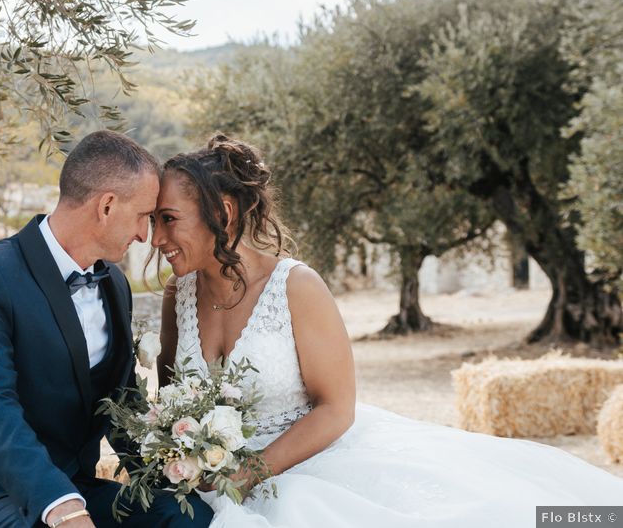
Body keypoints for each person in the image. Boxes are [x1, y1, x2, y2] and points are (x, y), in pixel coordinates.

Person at [150, 133, 623, 528]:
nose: (157, 238)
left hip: (306, 466)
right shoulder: (180, 294)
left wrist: (246, 473)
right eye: (153, 221)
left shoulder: (294, 287)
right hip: (209, 480)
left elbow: (336, 408)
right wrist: (187, 461)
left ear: (226, 213)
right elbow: (174, 404)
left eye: (168, 220)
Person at [0, 130, 214, 528]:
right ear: (106, 206)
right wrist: (62, 506)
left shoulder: (115, 284)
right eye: (143, 216)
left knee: (187, 518)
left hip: (76, 487)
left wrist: (177, 475)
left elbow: (121, 405)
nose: (147, 235)